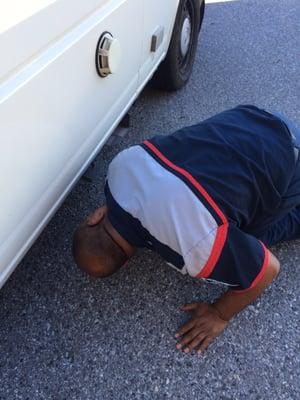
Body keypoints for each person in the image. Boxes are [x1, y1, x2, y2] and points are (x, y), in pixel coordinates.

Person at [72, 105, 300, 355]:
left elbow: (267, 270)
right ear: (93, 217)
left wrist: (219, 314)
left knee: (252, 238)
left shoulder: (194, 249)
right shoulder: (120, 166)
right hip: (251, 117)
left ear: (127, 261)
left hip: (290, 156)